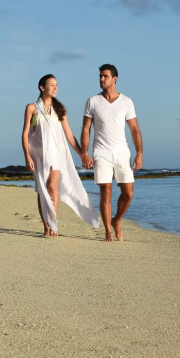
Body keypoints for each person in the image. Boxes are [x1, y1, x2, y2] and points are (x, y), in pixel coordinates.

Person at [21, 74, 100, 237]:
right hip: (39, 156)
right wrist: (27, 156)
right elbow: (25, 134)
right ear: (42, 87)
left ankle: (53, 225)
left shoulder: (59, 109)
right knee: (42, 190)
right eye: (51, 85)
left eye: (56, 85)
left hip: (56, 154)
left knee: (52, 187)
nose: (55, 88)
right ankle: (46, 227)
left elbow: (69, 135)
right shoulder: (32, 108)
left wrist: (82, 154)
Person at [80, 64, 143, 241]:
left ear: (114, 79)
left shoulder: (126, 102)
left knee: (128, 192)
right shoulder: (93, 101)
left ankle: (117, 220)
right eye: (100, 76)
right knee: (105, 191)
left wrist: (139, 153)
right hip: (101, 152)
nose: (101, 79)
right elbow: (86, 129)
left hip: (122, 152)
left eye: (105, 76)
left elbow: (134, 129)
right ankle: (108, 231)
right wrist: (84, 152)